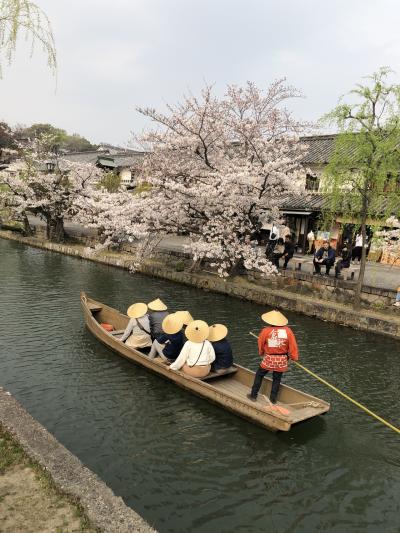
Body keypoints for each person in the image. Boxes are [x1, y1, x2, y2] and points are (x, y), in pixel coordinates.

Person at [247, 310, 299, 404]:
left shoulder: (266, 331)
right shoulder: (288, 331)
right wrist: (294, 357)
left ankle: (253, 395)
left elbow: (260, 343)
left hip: (270, 358)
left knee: (259, 374)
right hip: (282, 359)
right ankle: (273, 399)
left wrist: (261, 352)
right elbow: (293, 345)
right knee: (277, 379)